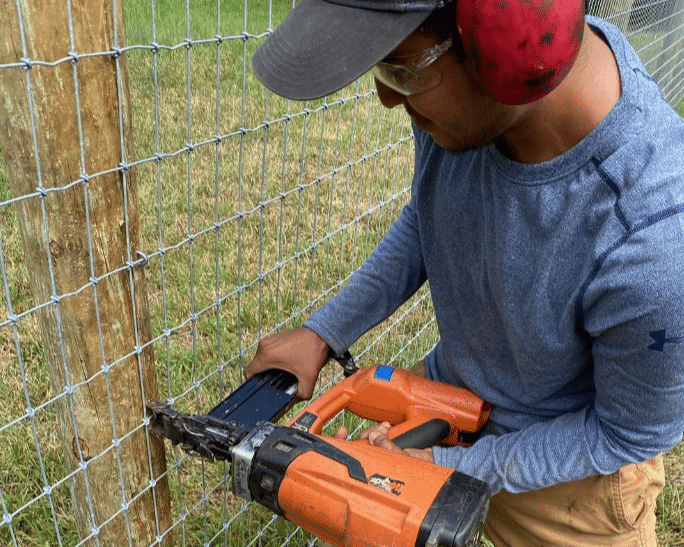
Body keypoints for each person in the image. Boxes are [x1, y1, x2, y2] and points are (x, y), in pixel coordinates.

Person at [246, 0, 684, 545]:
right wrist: (324, 331)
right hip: (451, 411)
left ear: (512, 39)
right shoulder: (459, 108)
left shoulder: (654, 242)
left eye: (400, 69)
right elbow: (433, 216)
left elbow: (625, 433)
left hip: (569, 494)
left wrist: (454, 465)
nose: (386, 97)